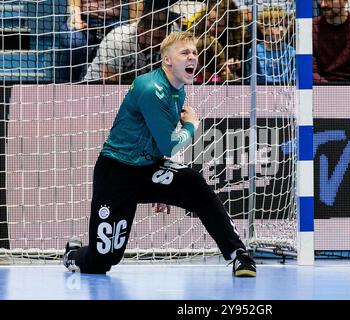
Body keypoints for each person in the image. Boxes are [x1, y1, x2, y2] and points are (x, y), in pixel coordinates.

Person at [62, 31, 256, 277]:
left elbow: (158, 143)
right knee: (103, 262)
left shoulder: (178, 90)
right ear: (167, 61)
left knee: (194, 184)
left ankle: (239, 255)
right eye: (185, 53)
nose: (193, 57)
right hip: (116, 173)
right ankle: (72, 254)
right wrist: (191, 125)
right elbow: (169, 145)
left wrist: (162, 184)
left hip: (147, 168)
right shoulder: (151, 88)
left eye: (194, 53)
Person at [83, 9, 179, 82]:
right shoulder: (118, 40)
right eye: (157, 38)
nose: (161, 43)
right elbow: (110, 82)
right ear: (142, 31)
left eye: (163, 39)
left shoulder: (168, 42)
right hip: (97, 90)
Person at [59, 0, 134, 82]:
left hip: (112, 20)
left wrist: (133, 26)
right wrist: (76, 18)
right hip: (83, 17)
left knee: (125, 42)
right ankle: (67, 84)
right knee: (74, 41)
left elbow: (135, 2)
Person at [192, 0, 250, 83]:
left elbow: (241, 75)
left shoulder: (240, 39)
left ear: (229, 25)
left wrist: (234, 66)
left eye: (219, 25)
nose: (212, 28)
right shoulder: (195, 31)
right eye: (211, 21)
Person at [246, 6, 296, 84]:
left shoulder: (292, 52)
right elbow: (250, 81)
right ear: (263, 29)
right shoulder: (254, 52)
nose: (282, 29)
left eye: (284, 25)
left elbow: (294, 80)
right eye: (276, 25)